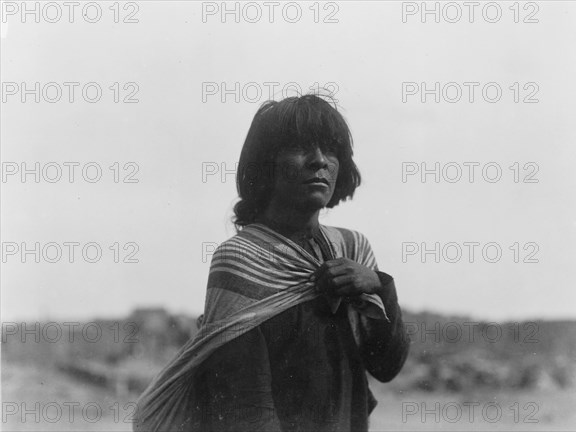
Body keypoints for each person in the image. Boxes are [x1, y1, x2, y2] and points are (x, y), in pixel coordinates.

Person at [133, 94, 410, 432]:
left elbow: (386, 365)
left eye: (330, 150)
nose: (319, 161)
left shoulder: (350, 249)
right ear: (266, 165)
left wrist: (380, 286)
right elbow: (245, 406)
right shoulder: (242, 258)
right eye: (300, 148)